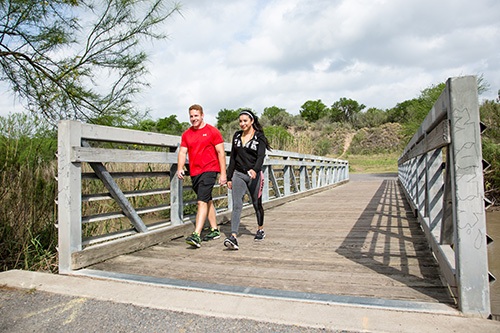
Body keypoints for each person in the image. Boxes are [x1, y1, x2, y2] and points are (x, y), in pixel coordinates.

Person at [177, 104, 227, 248]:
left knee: (201, 201)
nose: (194, 119)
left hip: (210, 169)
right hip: (195, 172)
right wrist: (180, 167)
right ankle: (214, 229)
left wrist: (223, 174)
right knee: (206, 199)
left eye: (196, 116)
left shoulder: (212, 131)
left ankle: (196, 235)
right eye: (191, 116)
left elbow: (221, 153)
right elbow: (182, 152)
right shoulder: (186, 134)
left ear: (202, 115)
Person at [224, 109, 271, 250]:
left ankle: (260, 229)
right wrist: (229, 177)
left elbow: (261, 157)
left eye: (245, 121)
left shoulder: (259, 137)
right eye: (240, 121)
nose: (242, 123)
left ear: (251, 121)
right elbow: (233, 157)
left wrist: (255, 170)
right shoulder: (237, 136)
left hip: (254, 175)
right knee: (237, 204)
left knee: (257, 204)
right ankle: (233, 236)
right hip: (238, 174)